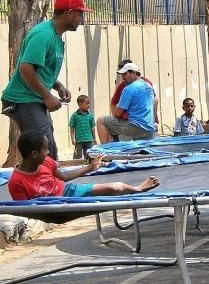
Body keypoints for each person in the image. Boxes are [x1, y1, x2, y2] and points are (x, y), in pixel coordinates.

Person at [1, 0, 91, 160]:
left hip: (33, 99)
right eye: (79, 14)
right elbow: (26, 68)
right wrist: (47, 96)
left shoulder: (55, 37)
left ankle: (42, 183)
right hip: (23, 99)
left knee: (48, 149)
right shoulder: (44, 35)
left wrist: (58, 86)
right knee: (44, 148)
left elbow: (39, 69)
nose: (81, 18)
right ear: (68, 13)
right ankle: (41, 184)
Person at [8, 131, 160, 200]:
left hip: (67, 191)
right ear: (34, 154)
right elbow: (26, 209)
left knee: (115, 187)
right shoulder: (16, 182)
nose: (48, 152)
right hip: (49, 205)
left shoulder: (47, 162)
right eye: (45, 149)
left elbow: (64, 176)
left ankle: (137, 188)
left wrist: (90, 167)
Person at [99, 59, 159, 143]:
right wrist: (153, 120)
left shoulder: (128, 89)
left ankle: (104, 151)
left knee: (101, 121)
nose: (123, 77)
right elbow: (155, 100)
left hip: (134, 126)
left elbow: (117, 112)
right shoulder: (148, 85)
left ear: (133, 73)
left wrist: (116, 116)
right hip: (149, 128)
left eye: (125, 74)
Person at [69, 95, 96, 159]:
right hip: (79, 140)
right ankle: (78, 168)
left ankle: (88, 167)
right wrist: (72, 138)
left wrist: (94, 138)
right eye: (87, 103)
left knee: (89, 156)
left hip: (89, 140)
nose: (88, 105)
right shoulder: (75, 115)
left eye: (89, 103)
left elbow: (92, 127)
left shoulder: (90, 115)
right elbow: (72, 127)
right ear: (80, 104)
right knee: (78, 157)